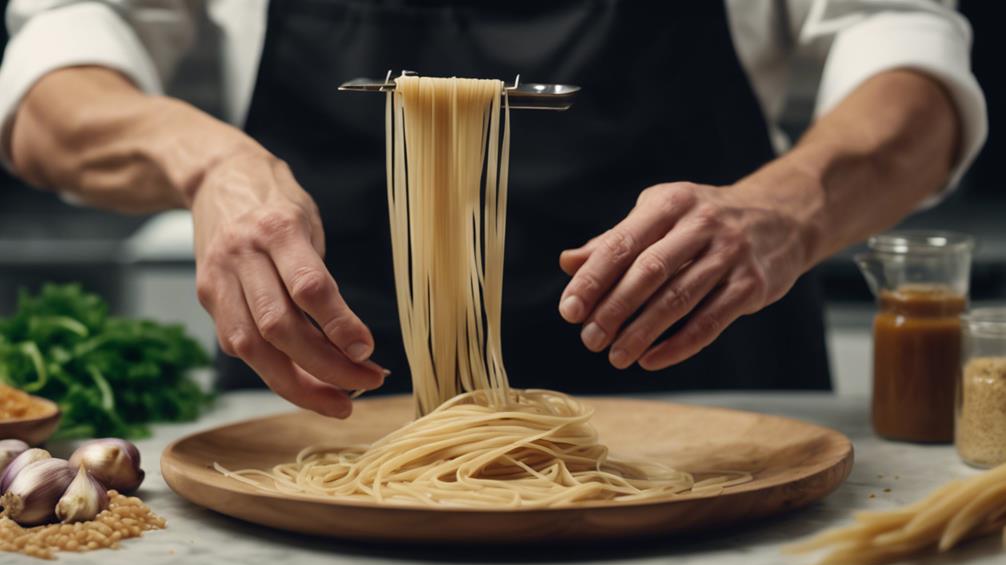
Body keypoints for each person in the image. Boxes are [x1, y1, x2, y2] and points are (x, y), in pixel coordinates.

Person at [0, 1, 987, 419]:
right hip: (329, 419)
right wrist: (205, 160)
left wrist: (790, 202)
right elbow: (51, 85)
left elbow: (909, 64)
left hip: (707, 400)